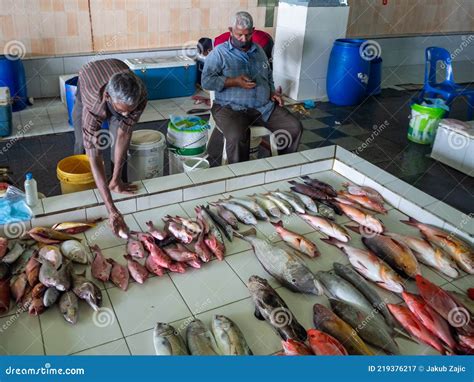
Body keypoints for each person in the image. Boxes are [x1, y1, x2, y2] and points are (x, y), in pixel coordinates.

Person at [201, 11, 302, 164]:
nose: (243, 39)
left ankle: (283, 167)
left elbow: (267, 75)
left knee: (293, 127)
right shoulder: (219, 54)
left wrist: (272, 92)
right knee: (237, 136)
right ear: (230, 30)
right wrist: (234, 81)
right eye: (239, 35)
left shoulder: (259, 51)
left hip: (262, 107)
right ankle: (240, 176)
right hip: (229, 108)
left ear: (253, 31)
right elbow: (206, 81)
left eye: (247, 35)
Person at [73, 59, 147, 238]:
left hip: (116, 71)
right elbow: (95, 155)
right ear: (107, 97)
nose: (127, 115)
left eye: (131, 110)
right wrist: (111, 209)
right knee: (82, 144)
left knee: (119, 141)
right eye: (122, 111)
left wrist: (115, 178)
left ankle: (117, 182)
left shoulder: (139, 96)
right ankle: (83, 187)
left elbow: (123, 135)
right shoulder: (94, 102)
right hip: (89, 78)